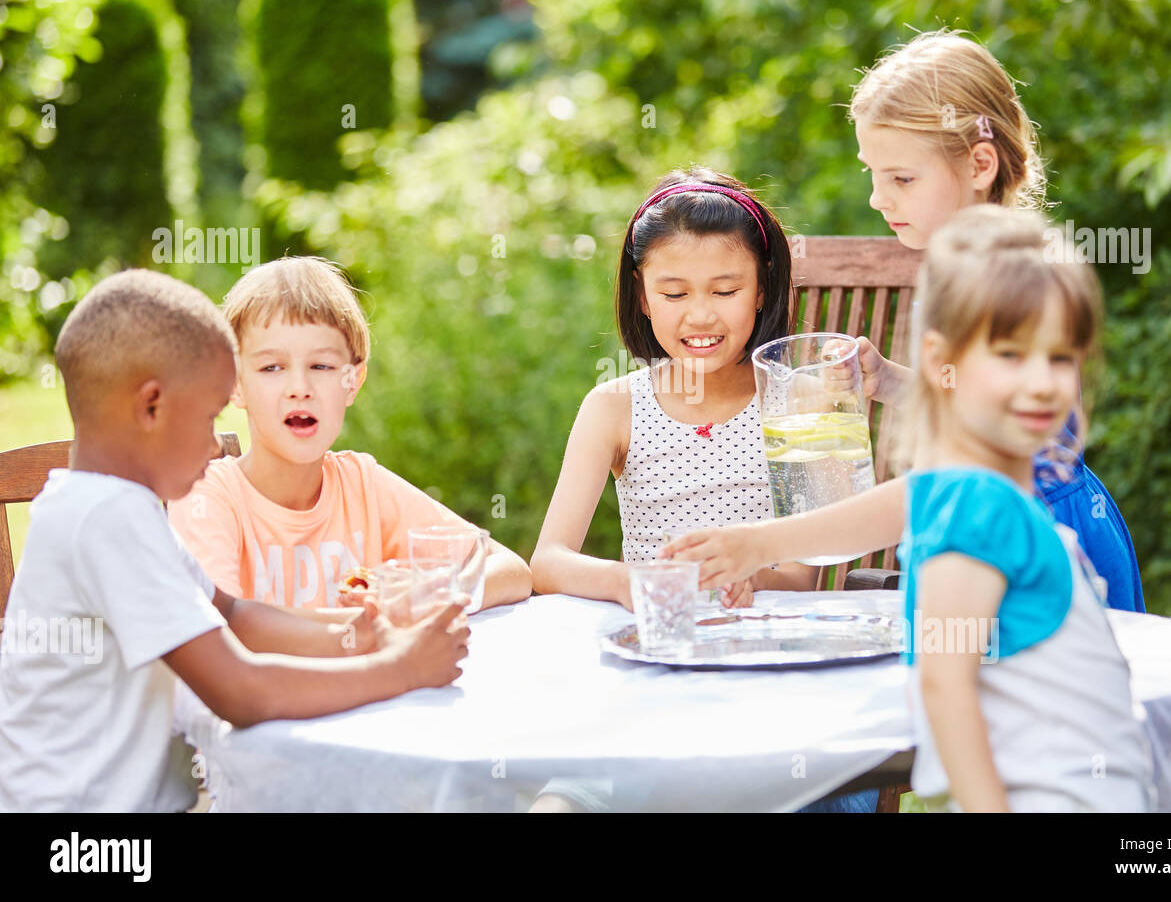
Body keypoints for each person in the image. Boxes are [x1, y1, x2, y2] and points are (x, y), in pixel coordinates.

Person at [667, 206, 1155, 811]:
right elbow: (945, 690)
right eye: (1009, 356)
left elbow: (900, 504)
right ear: (942, 364)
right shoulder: (976, 505)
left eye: (1060, 358)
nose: (1041, 382)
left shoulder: (975, 486)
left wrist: (760, 543)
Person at [0, 270, 470, 811]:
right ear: (152, 407)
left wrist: (359, 635)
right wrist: (400, 670)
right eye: (207, 418)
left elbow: (233, 613)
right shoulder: (106, 519)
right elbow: (241, 693)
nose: (214, 444)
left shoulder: (109, 507)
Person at [843, 29, 1144, 612]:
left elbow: (1019, 439)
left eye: (902, 178)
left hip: (1033, 540)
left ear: (980, 163)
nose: (879, 198)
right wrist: (886, 380)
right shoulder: (957, 265)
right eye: (872, 175)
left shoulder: (1018, 273)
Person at [169, 256, 532, 615]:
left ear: (352, 382)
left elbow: (511, 570)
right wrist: (364, 624)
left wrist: (423, 595)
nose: (299, 387)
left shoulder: (364, 487)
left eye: (321, 366)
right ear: (234, 384)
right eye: (272, 367)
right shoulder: (205, 496)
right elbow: (226, 625)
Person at [530, 169, 819, 612]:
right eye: (674, 294)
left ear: (761, 289)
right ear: (643, 297)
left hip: (766, 641)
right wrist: (626, 581)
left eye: (725, 291)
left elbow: (801, 576)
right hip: (659, 642)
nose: (700, 316)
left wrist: (749, 575)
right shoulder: (614, 407)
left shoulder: (797, 401)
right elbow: (549, 561)